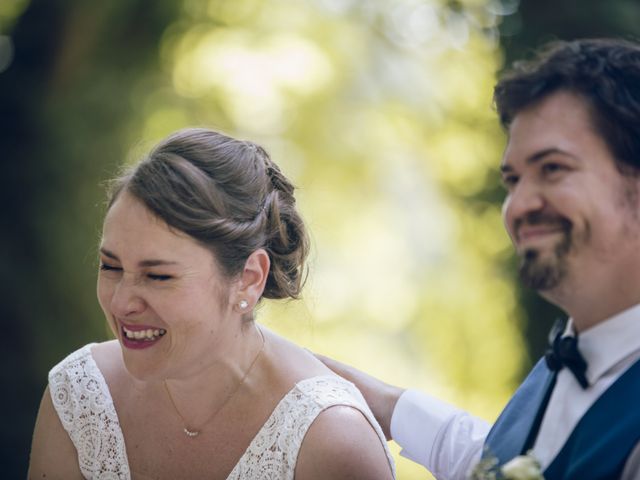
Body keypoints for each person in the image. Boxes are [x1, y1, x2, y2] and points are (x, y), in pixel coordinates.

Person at [318, 38, 640, 480]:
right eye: (512, 180)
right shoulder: (560, 363)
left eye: (553, 169)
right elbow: (490, 458)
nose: (520, 205)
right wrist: (357, 395)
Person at [28, 128, 395, 479]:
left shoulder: (332, 440)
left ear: (249, 279)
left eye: (158, 276)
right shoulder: (80, 395)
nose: (121, 302)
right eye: (110, 266)